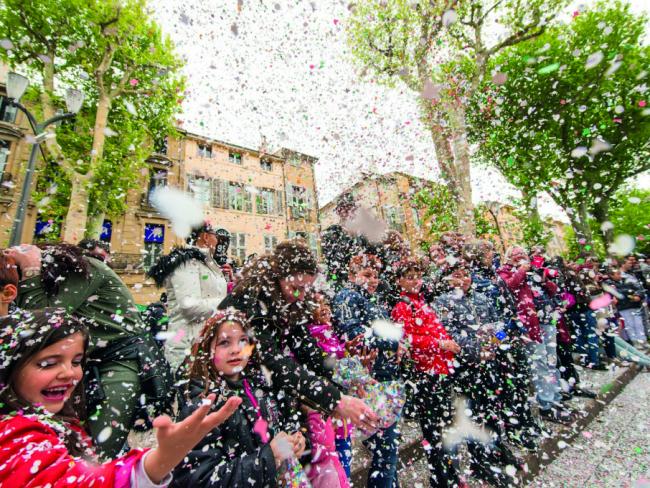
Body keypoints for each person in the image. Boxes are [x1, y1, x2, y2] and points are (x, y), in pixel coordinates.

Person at [0, 308, 240, 487]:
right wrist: (156, 462)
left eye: (76, 361)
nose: (68, 373)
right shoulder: (15, 434)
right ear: (10, 367)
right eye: (48, 364)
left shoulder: (52, 421)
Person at [10, 243, 169, 458]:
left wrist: (30, 269)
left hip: (120, 361)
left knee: (97, 451)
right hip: (84, 363)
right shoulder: (54, 274)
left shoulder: (80, 269)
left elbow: (40, 322)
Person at [218, 241, 378, 433]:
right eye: (296, 287)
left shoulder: (288, 301)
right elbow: (273, 363)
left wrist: (350, 375)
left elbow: (309, 350)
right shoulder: (250, 302)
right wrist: (336, 400)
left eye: (306, 289)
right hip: (234, 395)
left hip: (263, 394)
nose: (301, 296)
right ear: (278, 277)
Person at [173, 309, 307, 487]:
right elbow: (201, 479)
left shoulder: (262, 384)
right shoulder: (203, 404)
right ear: (208, 349)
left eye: (242, 340)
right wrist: (268, 458)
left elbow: (282, 421)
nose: (236, 350)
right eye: (224, 342)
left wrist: (294, 438)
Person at [434, 264, 521, 487]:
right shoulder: (443, 302)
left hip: (489, 361)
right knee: (472, 413)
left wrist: (494, 342)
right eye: (457, 276)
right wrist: (475, 350)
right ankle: (480, 461)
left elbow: (499, 322)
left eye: (466, 275)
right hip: (466, 367)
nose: (463, 280)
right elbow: (448, 333)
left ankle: (496, 447)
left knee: (492, 408)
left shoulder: (482, 297)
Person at [390, 258, 462, 487]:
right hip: (424, 374)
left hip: (439, 370)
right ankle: (441, 477)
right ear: (399, 281)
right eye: (409, 277)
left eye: (417, 276)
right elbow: (408, 341)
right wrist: (439, 344)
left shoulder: (422, 303)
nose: (415, 281)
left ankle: (450, 472)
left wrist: (448, 344)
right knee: (434, 429)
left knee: (445, 425)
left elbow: (435, 331)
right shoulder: (402, 306)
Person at [332, 253, 402, 488]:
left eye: (376, 275)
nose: (373, 280)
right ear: (352, 275)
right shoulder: (347, 296)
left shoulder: (373, 300)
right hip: (370, 378)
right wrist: (392, 342)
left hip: (385, 375)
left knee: (388, 446)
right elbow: (353, 333)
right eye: (367, 275)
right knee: (386, 447)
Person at [498, 247, 571, 424]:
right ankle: (546, 403)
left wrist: (544, 279)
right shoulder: (505, 272)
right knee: (539, 364)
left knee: (552, 360)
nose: (520, 257)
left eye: (522, 254)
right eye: (515, 255)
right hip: (529, 325)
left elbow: (553, 291)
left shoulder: (533, 271)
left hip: (547, 320)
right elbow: (510, 287)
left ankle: (555, 397)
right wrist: (521, 270)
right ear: (508, 258)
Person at [147, 222, 230, 371]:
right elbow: (189, 306)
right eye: (215, 236)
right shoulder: (187, 263)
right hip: (186, 345)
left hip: (204, 344)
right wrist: (227, 304)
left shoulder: (204, 263)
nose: (217, 241)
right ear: (205, 237)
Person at [605, 266, 648, 350]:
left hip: (635, 306)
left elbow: (639, 289)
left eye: (619, 273)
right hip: (623, 307)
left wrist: (638, 295)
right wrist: (630, 295)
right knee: (630, 325)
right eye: (617, 274)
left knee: (639, 324)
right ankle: (635, 342)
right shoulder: (609, 284)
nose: (620, 275)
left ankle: (643, 341)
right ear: (611, 275)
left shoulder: (627, 280)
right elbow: (618, 294)